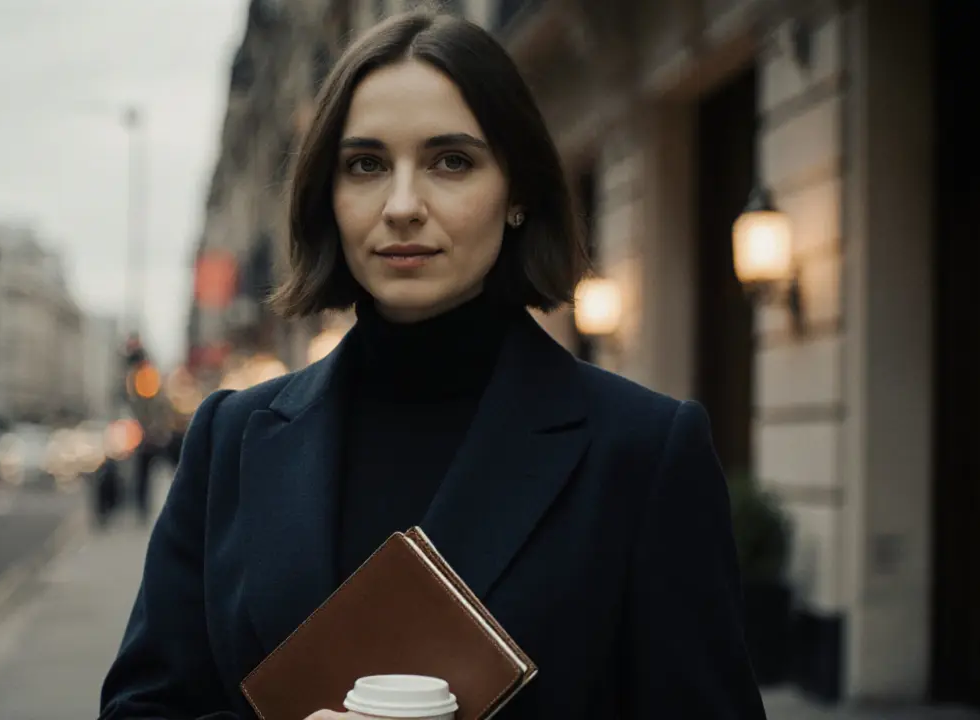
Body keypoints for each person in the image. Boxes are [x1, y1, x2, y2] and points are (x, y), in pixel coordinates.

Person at [100, 10, 766, 720]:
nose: (403, 206)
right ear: (329, 195)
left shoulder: (643, 452)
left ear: (517, 194)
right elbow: (143, 707)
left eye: (452, 161)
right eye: (366, 165)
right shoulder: (228, 440)